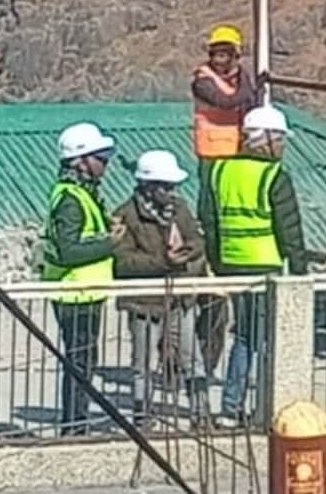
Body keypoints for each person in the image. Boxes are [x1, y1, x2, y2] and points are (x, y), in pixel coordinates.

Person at [203, 105, 307, 426]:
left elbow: (209, 221)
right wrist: (300, 272)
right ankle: (265, 407)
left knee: (244, 336)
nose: (283, 146)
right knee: (266, 339)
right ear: (267, 140)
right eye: (281, 139)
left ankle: (231, 407)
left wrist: (217, 263)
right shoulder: (274, 175)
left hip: (231, 264)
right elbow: (289, 229)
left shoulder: (219, 171)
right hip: (265, 266)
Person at [112, 149, 210, 423]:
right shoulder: (125, 215)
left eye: (173, 186)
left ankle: (201, 413)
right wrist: (164, 261)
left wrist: (187, 253)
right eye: (166, 186)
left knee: (192, 357)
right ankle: (142, 416)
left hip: (180, 297)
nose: (171, 192)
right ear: (148, 185)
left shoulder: (180, 209)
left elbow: (197, 240)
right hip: (144, 302)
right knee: (142, 363)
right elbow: (123, 263)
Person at [43, 122, 117, 436]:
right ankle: (74, 424)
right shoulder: (71, 200)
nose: (105, 164)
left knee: (84, 360)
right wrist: (112, 243)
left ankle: (77, 421)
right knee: (79, 362)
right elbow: (69, 251)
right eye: (100, 158)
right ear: (81, 160)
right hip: (74, 291)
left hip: (85, 290)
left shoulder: (81, 194)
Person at [190, 24, 258, 164]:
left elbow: (250, 104)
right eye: (216, 53)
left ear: (236, 55)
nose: (218, 59)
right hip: (212, 151)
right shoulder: (203, 81)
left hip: (237, 148)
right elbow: (228, 102)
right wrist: (246, 80)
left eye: (225, 53)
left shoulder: (238, 80)